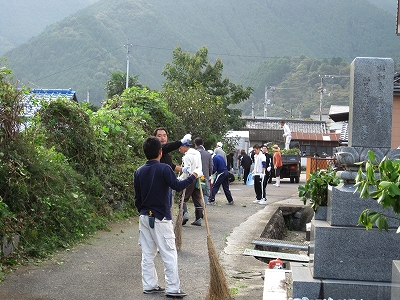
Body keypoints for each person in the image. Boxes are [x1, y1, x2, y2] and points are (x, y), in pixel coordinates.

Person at [134, 137, 201, 298]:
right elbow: (177, 186)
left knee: (148, 254)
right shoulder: (164, 168)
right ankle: (172, 288)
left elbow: (137, 199)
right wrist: (193, 175)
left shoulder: (139, 171)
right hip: (161, 217)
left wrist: (143, 211)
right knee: (169, 253)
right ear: (160, 152)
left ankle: (149, 285)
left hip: (144, 217)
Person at [178, 140, 203, 226]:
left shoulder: (187, 156)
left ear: (184, 147)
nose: (179, 150)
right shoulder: (197, 153)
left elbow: (187, 171)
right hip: (198, 177)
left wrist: (180, 179)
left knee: (182, 198)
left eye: (180, 148)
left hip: (190, 178)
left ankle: (184, 215)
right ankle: (199, 218)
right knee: (196, 198)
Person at [194, 137, 213, 204]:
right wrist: (209, 174)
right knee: (205, 193)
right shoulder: (208, 154)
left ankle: (198, 208)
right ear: (203, 144)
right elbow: (211, 166)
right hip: (205, 176)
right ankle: (203, 208)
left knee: (195, 194)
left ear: (195, 144)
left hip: (194, 176)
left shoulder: (193, 154)